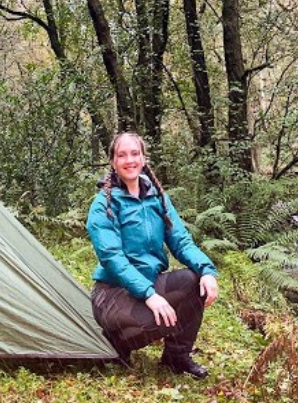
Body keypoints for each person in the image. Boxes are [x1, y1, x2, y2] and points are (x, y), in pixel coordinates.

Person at [86, 132, 219, 379]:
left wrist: (207, 270)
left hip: (149, 282)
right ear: (113, 162)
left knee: (194, 283)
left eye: (135, 153)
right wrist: (149, 295)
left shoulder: (157, 196)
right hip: (113, 293)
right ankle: (115, 346)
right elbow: (112, 258)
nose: (129, 160)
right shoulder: (104, 204)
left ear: (144, 158)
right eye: (122, 155)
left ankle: (175, 358)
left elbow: (180, 240)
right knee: (157, 318)